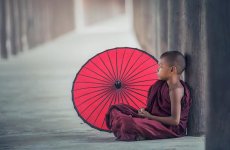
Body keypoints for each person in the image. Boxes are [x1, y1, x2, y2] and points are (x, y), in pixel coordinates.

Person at [105, 51, 192, 141]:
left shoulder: (176, 90)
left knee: (126, 123)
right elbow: (154, 109)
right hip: (154, 119)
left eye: (161, 67)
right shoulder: (161, 84)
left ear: (172, 70)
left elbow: (175, 121)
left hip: (169, 128)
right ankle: (141, 131)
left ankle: (140, 131)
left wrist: (150, 116)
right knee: (116, 108)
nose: (157, 70)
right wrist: (145, 112)